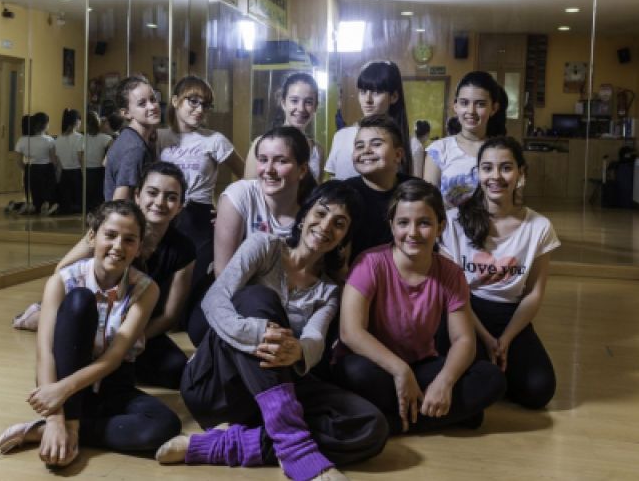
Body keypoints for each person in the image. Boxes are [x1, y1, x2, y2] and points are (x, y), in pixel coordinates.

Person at [155, 182, 388, 481]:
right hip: (216, 387)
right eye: (322, 213)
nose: (326, 225)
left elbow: (315, 339)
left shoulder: (329, 291)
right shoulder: (264, 246)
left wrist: (299, 350)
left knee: (371, 425)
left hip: (270, 394)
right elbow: (214, 300)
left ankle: (228, 445)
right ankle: (294, 446)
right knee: (257, 299)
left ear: (345, 237)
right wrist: (257, 333)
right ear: (305, 216)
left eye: (339, 224)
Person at [0, 200, 182, 468]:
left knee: (165, 426)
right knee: (80, 300)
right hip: (66, 383)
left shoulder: (146, 289)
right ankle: (64, 424)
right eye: (111, 235)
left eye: (129, 240)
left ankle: (54, 431)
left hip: (110, 382)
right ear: (93, 237)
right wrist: (57, 416)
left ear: (139, 247)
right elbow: (45, 351)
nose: (118, 246)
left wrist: (62, 411)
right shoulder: (61, 282)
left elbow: (115, 357)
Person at [336, 179, 506, 434]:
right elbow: (351, 333)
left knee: (491, 379)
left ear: (440, 227)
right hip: (376, 366)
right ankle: (438, 415)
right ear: (392, 226)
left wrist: (444, 383)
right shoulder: (369, 263)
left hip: (420, 364)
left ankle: (393, 422)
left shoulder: (450, 273)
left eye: (424, 223)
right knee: (355, 372)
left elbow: (463, 340)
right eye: (403, 222)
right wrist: (399, 370)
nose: (413, 232)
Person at [11, 162, 196, 390]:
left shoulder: (183, 248)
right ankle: (44, 315)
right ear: (137, 195)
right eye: (152, 192)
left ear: (180, 206)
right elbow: (63, 271)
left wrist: (124, 340)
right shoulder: (115, 223)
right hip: (89, 311)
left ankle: (105, 367)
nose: (159, 202)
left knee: (178, 371)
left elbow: (170, 315)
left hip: (134, 323)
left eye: (170, 197)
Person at [441, 136, 559, 409]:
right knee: (479, 375)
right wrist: (485, 337)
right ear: (478, 172)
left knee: (539, 391)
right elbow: (454, 291)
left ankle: (497, 374)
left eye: (506, 168)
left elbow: (533, 293)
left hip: (511, 316)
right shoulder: (453, 222)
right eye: (487, 168)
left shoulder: (539, 226)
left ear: (521, 173)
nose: (496, 176)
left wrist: (504, 340)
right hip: (465, 311)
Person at [185, 126, 315, 345]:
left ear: (302, 170)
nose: (269, 169)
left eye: (281, 161)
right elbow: (224, 273)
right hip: (238, 291)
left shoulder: (314, 210)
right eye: (263, 160)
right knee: (202, 328)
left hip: (290, 298)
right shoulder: (240, 194)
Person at [158, 75, 244, 310]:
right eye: (193, 101)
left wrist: (229, 210)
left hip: (198, 216)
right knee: (166, 276)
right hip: (164, 214)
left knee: (195, 282)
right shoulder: (159, 137)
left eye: (205, 104)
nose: (199, 110)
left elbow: (248, 177)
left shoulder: (215, 140)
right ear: (175, 101)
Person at [423, 71, 507, 209]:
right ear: (455, 106)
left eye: (480, 104)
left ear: (494, 108)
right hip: (448, 229)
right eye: (464, 103)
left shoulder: (502, 151)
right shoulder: (438, 150)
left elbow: (512, 200)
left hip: (493, 229)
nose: (471, 111)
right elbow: (428, 203)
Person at [344, 114, 417, 263]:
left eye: (376, 144)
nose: (366, 150)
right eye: (359, 146)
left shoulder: (417, 192)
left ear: (398, 155)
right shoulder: (343, 194)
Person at [324, 60, 412, 179]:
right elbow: (332, 180)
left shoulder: (411, 144)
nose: (368, 100)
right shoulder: (342, 136)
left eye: (376, 92)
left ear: (394, 96)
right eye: (363, 92)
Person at [244, 72, 324, 183]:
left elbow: (316, 192)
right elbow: (249, 191)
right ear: (283, 103)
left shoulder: (317, 150)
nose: (301, 108)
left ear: (315, 107)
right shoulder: (261, 144)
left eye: (308, 102)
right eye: (294, 101)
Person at [104, 76, 161, 201]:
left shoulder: (129, 137)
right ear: (126, 113)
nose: (152, 107)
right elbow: (120, 202)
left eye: (153, 99)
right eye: (142, 103)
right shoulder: (135, 148)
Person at [14, 112, 59, 215]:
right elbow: (54, 160)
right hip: (47, 170)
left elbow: (18, 161)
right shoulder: (49, 140)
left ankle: (31, 206)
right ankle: (47, 205)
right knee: (48, 195)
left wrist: (26, 169)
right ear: (46, 125)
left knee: (35, 196)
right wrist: (56, 170)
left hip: (31, 168)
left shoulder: (22, 140)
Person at [54, 108, 84, 214]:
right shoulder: (80, 137)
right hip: (76, 173)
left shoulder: (58, 139)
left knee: (67, 203)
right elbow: (81, 158)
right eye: (80, 120)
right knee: (78, 204)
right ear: (77, 121)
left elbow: (57, 160)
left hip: (64, 174)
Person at [84, 111, 112, 212]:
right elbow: (111, 154)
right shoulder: (106, 138)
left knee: (88, 198)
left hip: (86, 170)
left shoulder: (81, 138)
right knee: (99, 197)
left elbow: (80, 157)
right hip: (100, 170)